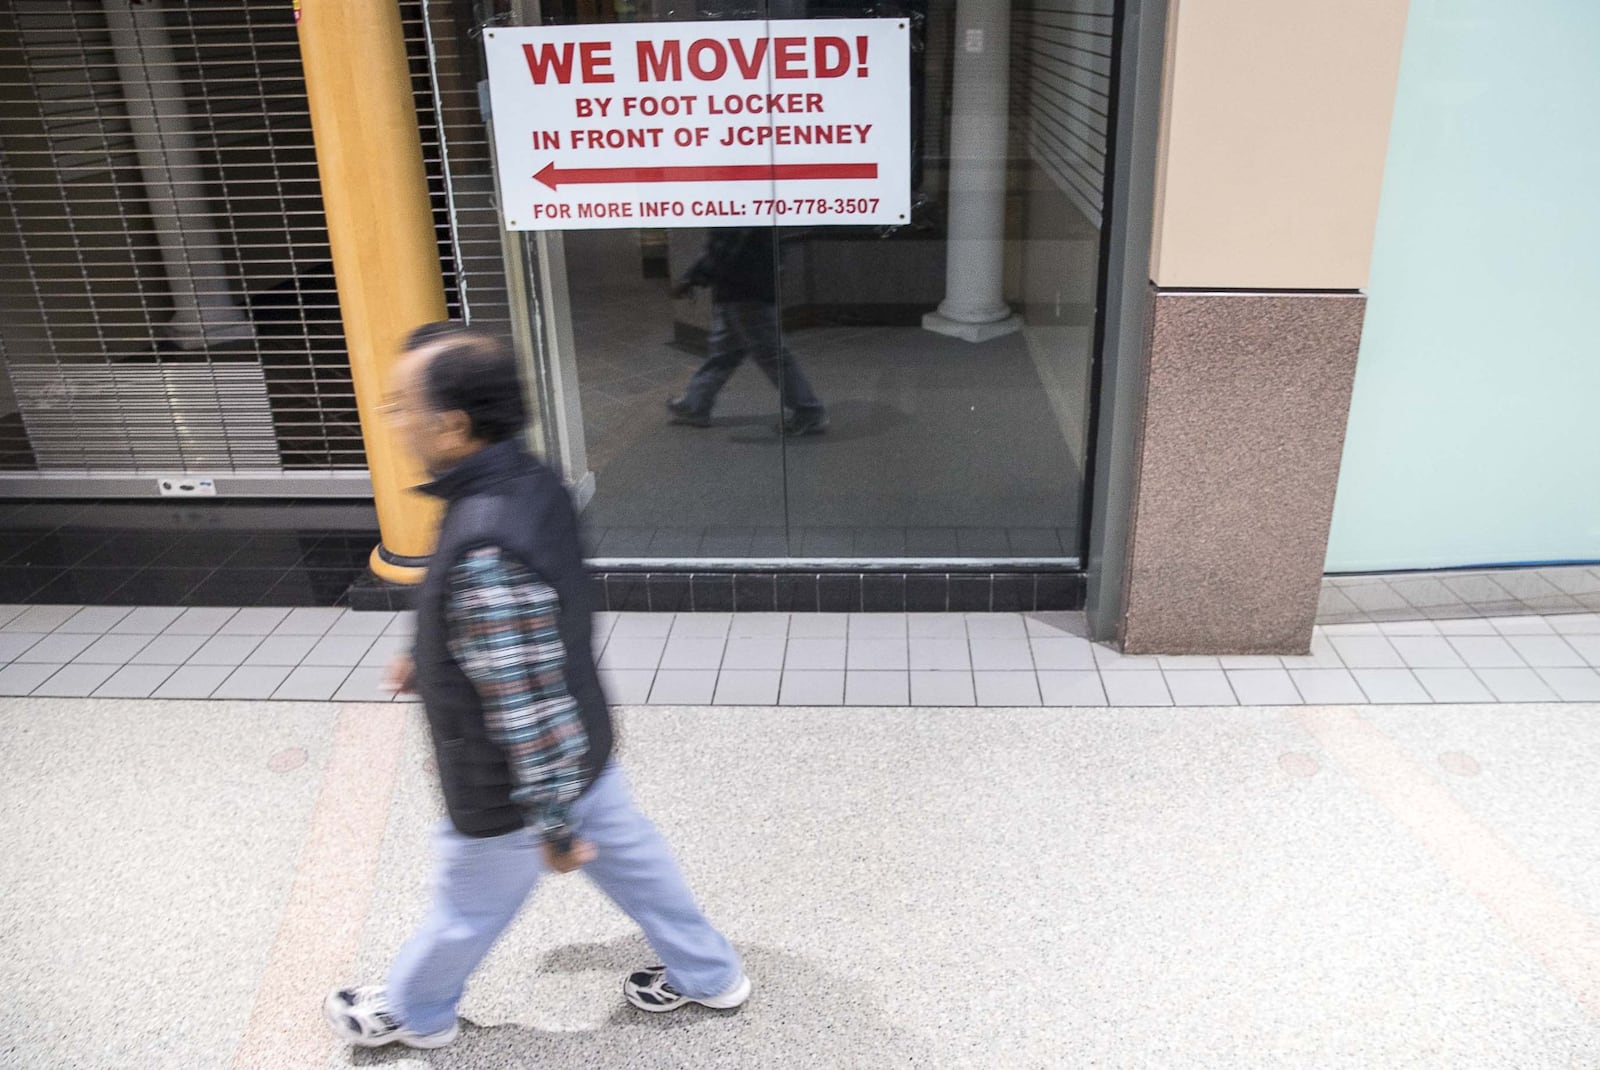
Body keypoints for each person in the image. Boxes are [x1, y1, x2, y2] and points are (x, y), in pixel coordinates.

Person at [324, 322, 749, 1051]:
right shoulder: (527, 478)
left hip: (513, 783)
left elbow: (523, 702)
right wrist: (428, 657)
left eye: (402, 405)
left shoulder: (485, 533)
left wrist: (553, 828)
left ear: (452, 425)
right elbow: (523, 627)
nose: (392, 419)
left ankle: (416, 1010)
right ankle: (711, 975)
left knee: (468, 904)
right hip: (582, 742)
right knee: (640, 867)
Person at [667, 227, 829, 436]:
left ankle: (809, 411)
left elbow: (724, 249)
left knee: (771, 356)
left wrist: (692, 278)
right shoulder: (747, 202)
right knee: (723, 353)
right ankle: (695, 404)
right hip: (741, 290)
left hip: (746, 292)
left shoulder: (739, 203)